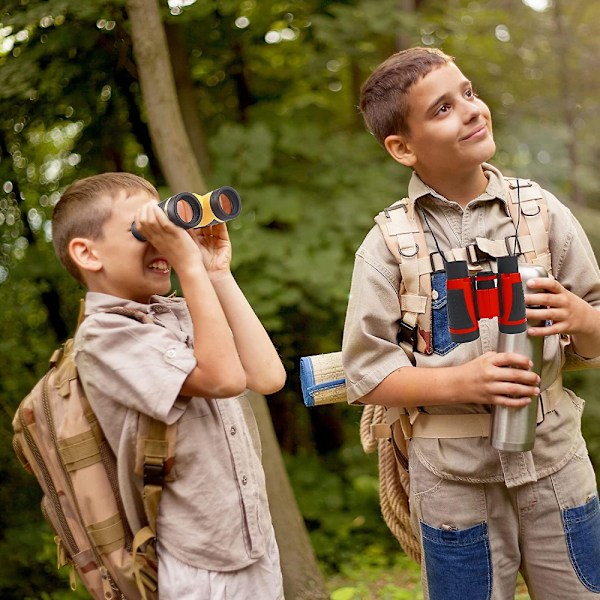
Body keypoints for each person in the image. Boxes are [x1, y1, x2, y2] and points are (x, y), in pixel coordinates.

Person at [342, 47, 600, 599]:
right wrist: (461, 382)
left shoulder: (542, 213)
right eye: (441, 109)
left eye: (469, 92)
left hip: (557, 466)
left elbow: (596, 332)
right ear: (402, 147)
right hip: (452, 483)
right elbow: (367, 375)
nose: (471, 110)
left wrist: (580, 317)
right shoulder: (387, 244)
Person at [51, 172, 287, 600]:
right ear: (87, 253)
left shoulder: (176, 312)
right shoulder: (104, 338)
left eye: (166, 226)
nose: (164, 241)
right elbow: (225, 379)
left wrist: (215, 274)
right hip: (196, 566)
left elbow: (267, 377)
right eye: (145, 228)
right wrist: (189, 267)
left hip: (252, 546)